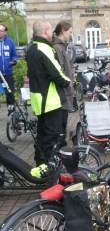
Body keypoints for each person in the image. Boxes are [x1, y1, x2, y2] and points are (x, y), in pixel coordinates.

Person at [27, 20, 71, 166]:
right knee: (52, 136)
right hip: (50, 99)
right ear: (46, 31)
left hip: (38, 98)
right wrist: (67, 82)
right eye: (51, 31)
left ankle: (40, 162)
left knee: (42, 133)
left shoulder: (32, 48)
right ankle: (49, 167)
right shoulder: (44, 48)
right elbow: (55, 73)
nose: (52, 34)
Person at [52, 21, 73, 147]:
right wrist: (68, 84)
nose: (71, 35)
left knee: (62, 125)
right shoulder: (58, 48)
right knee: (61, 127)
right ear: (63, 31)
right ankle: (60, 153)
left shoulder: (61, 47)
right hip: (62, 95)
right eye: (70, 32)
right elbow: (60, 72)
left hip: (64, 93)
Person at [0, 23, 18, 116]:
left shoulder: (10, 42)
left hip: (7, 73)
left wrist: (14, 61)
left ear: (5, 32)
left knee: (10, 93)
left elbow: (14, 55)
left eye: (1, 31)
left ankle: (11, 113)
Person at [67, 37, 78, 113]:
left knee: (70, 86)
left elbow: (69, 58)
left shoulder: (69, 46)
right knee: (70, 86)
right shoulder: (71, 45)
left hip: (70, 68)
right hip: (71, 67)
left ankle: (73, 106)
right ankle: (73, 105)